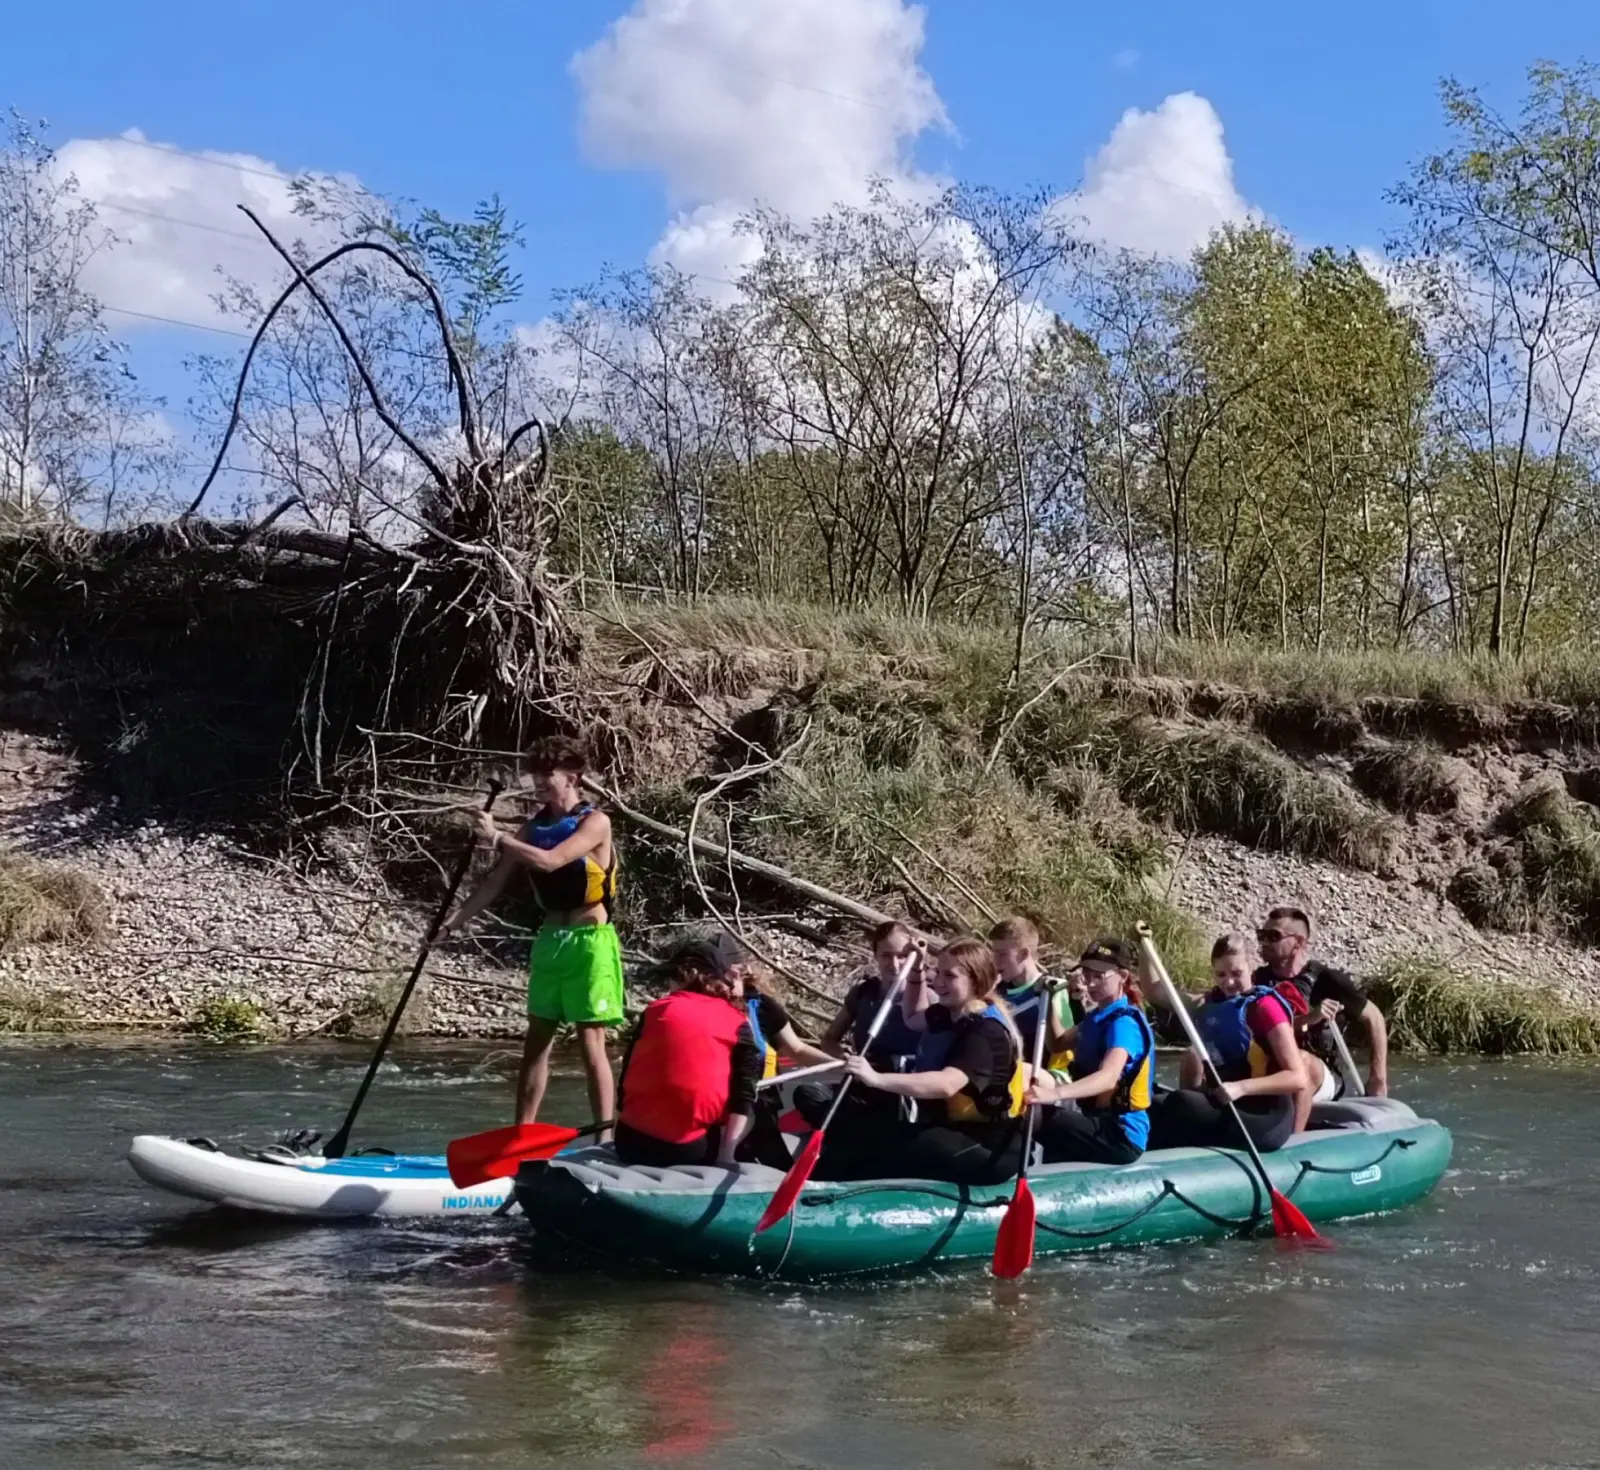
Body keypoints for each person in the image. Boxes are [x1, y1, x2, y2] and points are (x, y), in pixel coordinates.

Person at [442, 736, 622, 1138]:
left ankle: (605, 1138)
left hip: (590, 943)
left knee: (590, 1041)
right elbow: (491, 886)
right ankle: (522, 1134)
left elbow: (553, 861)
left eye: (548, 775)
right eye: (536, 775)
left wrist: (498, 837)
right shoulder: (533, 827)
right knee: (536, 1041)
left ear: (572, 777)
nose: (540, 782)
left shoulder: (595, 822)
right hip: (550, 940)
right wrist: (452, 925)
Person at [818, 937, 1026, 1186]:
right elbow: (913, 1016)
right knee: (861, 1133)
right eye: (937, 972)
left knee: (882, 1149)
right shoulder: (948, 1013)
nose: (938, 982)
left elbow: (946, 1084)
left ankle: (829, 1193)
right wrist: (917, 970)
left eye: (950, 976)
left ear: (976, 980)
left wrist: (876, 1078)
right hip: (952, 1129)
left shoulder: (986, 1031)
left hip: (987, 1147)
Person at [1148, 933, 1308, 1153]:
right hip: (1227, 1105)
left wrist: (1241, 1087)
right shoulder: (1210, 1003)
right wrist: (1144, 943)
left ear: (1251, 967)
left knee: (1181, 1103)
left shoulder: (1265, 1008)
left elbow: (1297, 1078)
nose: (1228, 982)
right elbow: (1154, 991)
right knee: (1154, 1104)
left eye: (1236, 973)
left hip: (1265, 1117)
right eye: (1220, 974)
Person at [612, 936, 760, 1167]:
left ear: (690, 974)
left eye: (672, 977)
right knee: (753, 1109)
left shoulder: (655, 1010)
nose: (669, 984)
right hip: (687, 1151)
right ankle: (730, 1154)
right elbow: (744, 1093)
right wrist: (725, 1157)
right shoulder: (737, 1022)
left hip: (627, 1143)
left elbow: (625, 1079)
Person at [1027, 937, 1155, 1166]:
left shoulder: (1124, 1024)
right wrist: (1045, 1002)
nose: (1090, 984)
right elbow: (1057, 1043)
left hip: (1119, 1134)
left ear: (1122, 977)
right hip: (1093, 1118)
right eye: (1086, 975)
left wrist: (1055, 1095)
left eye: (1099, 976)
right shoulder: (1098, 1017)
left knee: (1036, 1116)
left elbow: (1108, 1079)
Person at [794, 921, 929, 1130]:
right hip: (864, 1087)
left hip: (902, 1093)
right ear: (875, 956)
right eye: (886, 955)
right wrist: (842, 1056)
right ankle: (858, 1134)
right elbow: (829, 1039)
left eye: (902, 955)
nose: (894, 964)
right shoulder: (863, 993)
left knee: (877, 1118)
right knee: (808, 1093)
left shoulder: (929, 998)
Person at [1255, 906, 1389, 1097]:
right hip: (1273, 1069)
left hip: (1320, 1074)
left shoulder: (1327, 980)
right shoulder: (1258, 980)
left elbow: (1374, 1017)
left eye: (1273, 936)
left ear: (1298, 942)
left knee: (1302, 1062)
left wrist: (1378, 1077)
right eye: (1262, 935)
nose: (1265, 942)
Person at [736, 967, 838, 1168]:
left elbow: (796, 1049)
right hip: (720, 1104)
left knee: (776, 1165)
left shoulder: (760, 1006)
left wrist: (840, 1067)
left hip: (760, 1104)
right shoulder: (700, 1009)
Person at [988, 914, 1076, 1067]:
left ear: (1023, 954)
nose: (995, 961)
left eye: (1002, 954)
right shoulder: (994, 989)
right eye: (994, 953)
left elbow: (1064, 1048)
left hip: (1035, 1075)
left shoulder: (1053, 988)